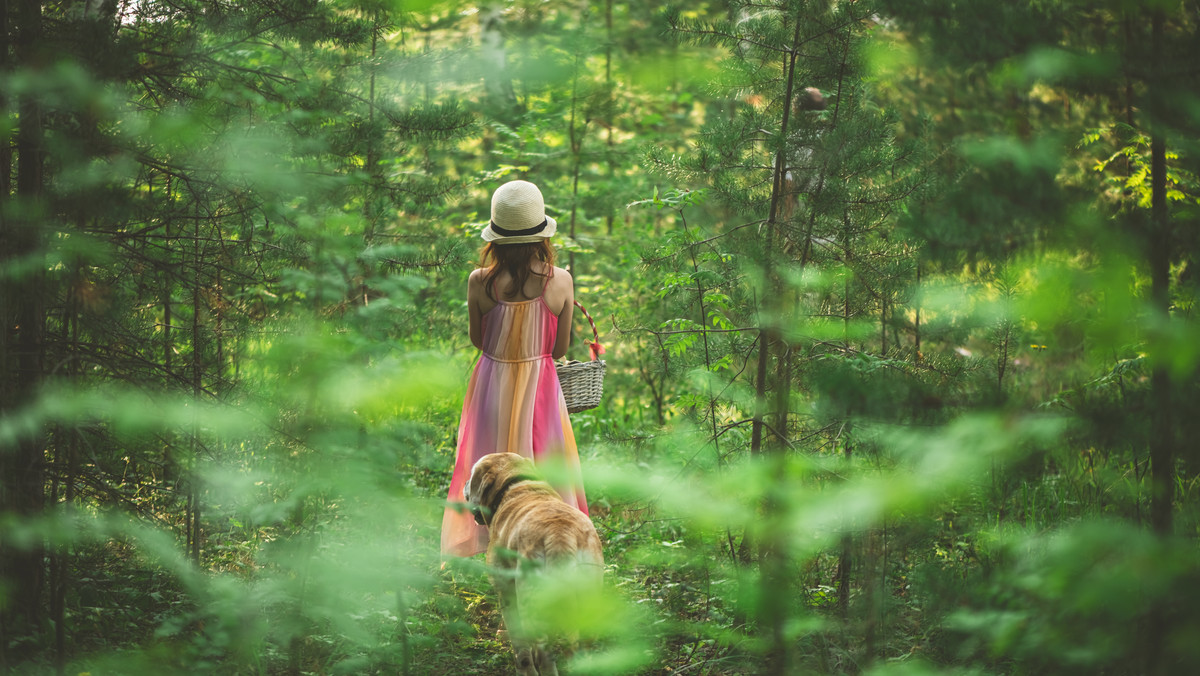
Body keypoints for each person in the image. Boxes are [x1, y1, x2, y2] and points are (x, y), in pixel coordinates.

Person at [441, 179, 589, 558]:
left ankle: (493, 541)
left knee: (489, 458)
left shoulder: (480, 282)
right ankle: (550, 542)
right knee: (542, 461)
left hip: (492, 381)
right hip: (539, 383)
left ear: (496, 239)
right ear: (542, 235)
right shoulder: (560, 282)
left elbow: (479, 340)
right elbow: (558, 349)